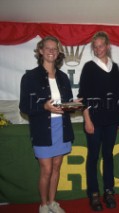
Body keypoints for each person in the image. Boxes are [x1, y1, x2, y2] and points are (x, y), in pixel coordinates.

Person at [19, 36, 74, 213]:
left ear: (58, 53)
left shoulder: (64, 77)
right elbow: (24, 106)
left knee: (57, 167)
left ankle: (52, 202)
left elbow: (67, 104)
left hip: (62, 128)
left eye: (55, 49)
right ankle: (43, 204)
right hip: (43, 129)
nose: (51, 51)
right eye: (48, 48)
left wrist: (74, 105)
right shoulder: (30, 77)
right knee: (47, 169)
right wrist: (44, 106)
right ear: (41, 51)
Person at [78, 31, 119, 211]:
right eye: (95, 47)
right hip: (94, 122)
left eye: (101, 45)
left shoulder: (116, 67)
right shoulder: (89, 67)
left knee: (109, 156)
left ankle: (109, 191)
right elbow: (83, 97)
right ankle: (94, 194)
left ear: (108, 46)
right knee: (93, 157)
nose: (98, 49)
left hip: (111, 121)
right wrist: (87, 120)